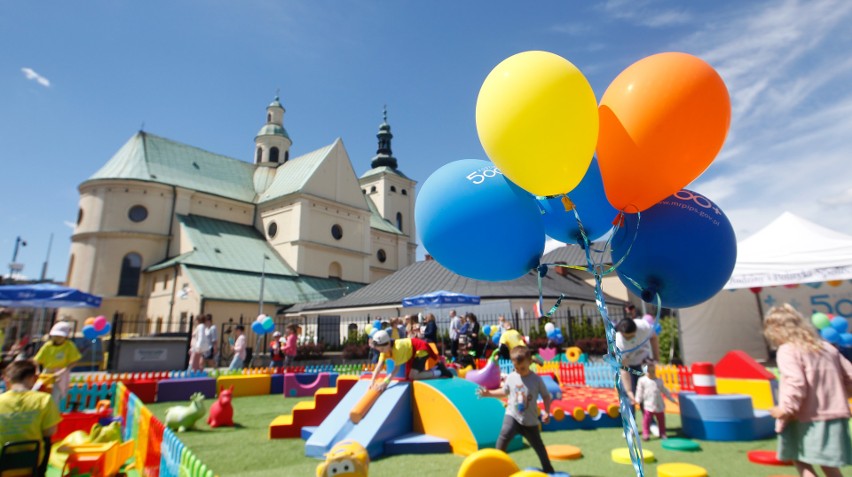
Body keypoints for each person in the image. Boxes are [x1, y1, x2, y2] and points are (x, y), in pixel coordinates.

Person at [764, 304, 852, 477]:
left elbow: (795, 381)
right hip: (834, 415)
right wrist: (839, 397)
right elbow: (849, 376)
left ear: (775, 329)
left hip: (802, 417)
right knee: (828, 465)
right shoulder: (827, 347)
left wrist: (786, 409)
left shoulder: (788, 350)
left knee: (800, 458)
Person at [477, 346, 555, 474]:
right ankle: (496, 466)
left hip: (529, 421)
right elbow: (504, 391)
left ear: (530, 362)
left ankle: (549, 470)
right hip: (512, 415)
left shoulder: (536, 379)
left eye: (522, 368)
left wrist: (547, 411)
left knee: (539, 447)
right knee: (504, 436)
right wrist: (488, 393)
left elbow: (546, 396)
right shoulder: (512, 376)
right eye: (516, 368)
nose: (519, 371)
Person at [0, 360, 62, 477]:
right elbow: (50, 431)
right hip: (32, 465)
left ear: (7, 379)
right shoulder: (44, 399)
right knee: (47, 440)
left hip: (2, 465)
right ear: (33, 378)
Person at [368, 330, 451, 391]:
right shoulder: (384, 351)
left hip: (420, 349)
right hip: (412, 352)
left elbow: (395, 370)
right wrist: (372, 381)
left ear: (389, 343)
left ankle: (439, 371)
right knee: (410, 375)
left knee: (413, 376)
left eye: (382, 349)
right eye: (379, 350)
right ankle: (435, 369)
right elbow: (378, 367)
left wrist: (385, 383)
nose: (381, 351)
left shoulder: (397, 349)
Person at [615, 317, 660, 405]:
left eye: (632, 336)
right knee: (629, 397)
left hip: (643, 361)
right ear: (621, 333)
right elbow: (624, 368)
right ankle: (631, 417)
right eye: (626, 337)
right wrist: (628, 391)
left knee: (646, 392)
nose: (629, 339)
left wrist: (656, 357)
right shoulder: (618, 342)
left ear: (636, 329)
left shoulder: (643, 326)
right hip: (628, 366)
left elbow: (653, 337)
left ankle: (649, 417)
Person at [33, 322, 81, 404]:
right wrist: (37, 371)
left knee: (56, 394)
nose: (57, 338)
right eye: (55, 336)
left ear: (65, 337)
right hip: (47, 372)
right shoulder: (48, 346)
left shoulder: (69, 346)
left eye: (60, 336)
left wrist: (63, 371)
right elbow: (37, 360)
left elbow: (74, 361)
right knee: (37, 389)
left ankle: (53, 410)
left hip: (61, 373)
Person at [633, 360, 677, 441]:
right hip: (648, 404)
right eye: (648, 371)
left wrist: (671, 399)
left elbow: (665, 391)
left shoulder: (659, 381)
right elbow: (639, 391)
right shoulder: (642, 380)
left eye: (653, 371)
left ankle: (662, 433)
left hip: (659, 404)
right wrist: (637, 400)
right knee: (646, 420)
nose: (651, 373)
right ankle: (646, 433)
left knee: (661, 419)